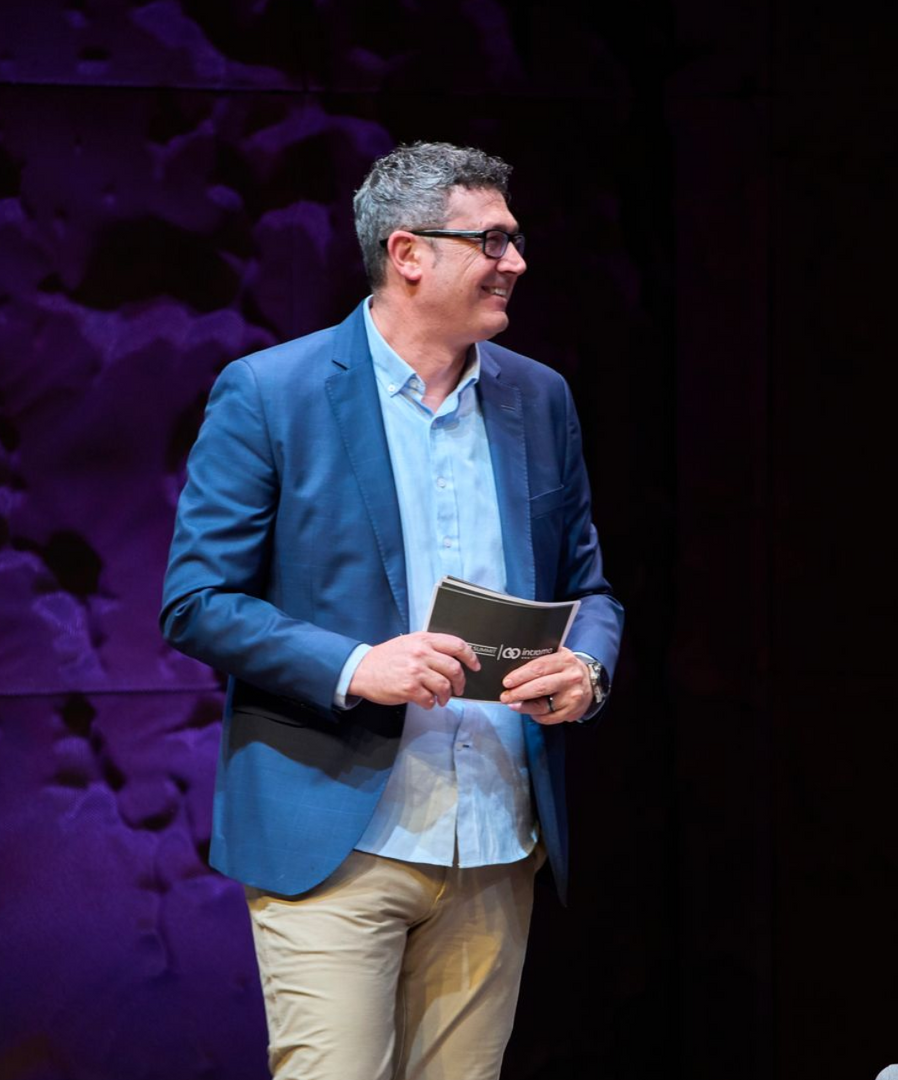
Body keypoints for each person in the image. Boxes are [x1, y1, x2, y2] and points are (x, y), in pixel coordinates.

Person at [160, 141, 624, 1080]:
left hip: (495, 835)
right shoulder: (272, 394)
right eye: (490, 241)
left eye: (515, 238)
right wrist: (355, 666)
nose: (516, 261)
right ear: (407, 253)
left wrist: (587, 668)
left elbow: (591, 591)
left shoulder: (541, 399)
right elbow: (197, 602)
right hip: (335, 837)